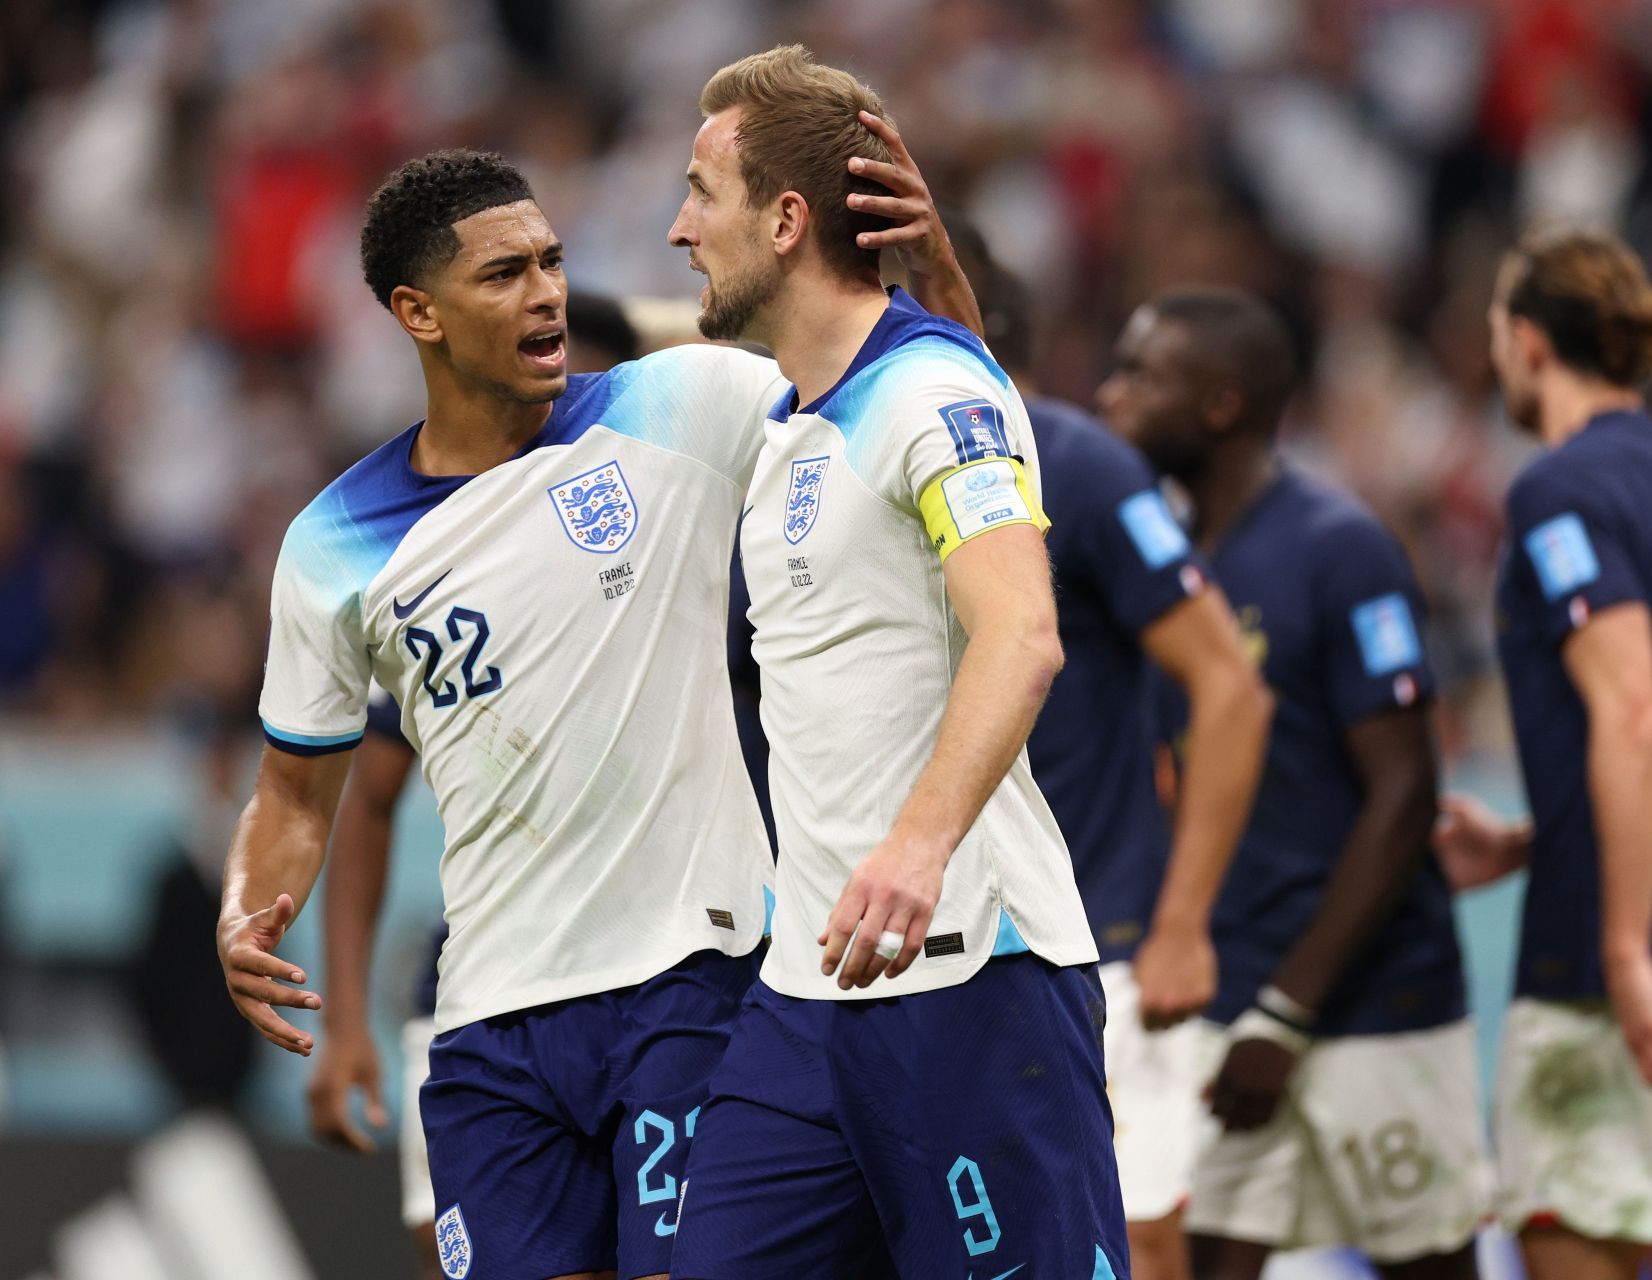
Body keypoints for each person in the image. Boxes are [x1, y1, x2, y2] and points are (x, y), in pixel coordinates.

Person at [217, 132, 977, 1280]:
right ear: (418, 313)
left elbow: (923, 377)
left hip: (691, 975)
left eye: (553, 260)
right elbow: (297, 789)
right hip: (489, 1020)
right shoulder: (333, 542)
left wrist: (936, 264)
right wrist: (245, 910)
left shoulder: (677, 404)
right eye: (505, 273)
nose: (549, 292)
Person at [664, 47, 1129, 1278]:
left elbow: (1022, 631)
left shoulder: (930, 387)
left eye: (701, 194)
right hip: (806, 991)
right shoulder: (781, 425)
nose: (676, 228)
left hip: (973, 966)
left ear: (786, 217)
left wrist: (918, 842)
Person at [1098, 287, 1493, 1280]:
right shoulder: (1172, 570)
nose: (1113, 396)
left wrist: (1288, 1008)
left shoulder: (1340, 547)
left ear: (1222, 405)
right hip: (1224, 1008)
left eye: (1144, 375)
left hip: (1372, 1007)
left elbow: (1404, 793)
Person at [1434, 229, 1652, 1280]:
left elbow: (1637, 711)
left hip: (1616, 971)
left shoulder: (1560, 492)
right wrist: (1535, 838)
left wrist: (1629, 950)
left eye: (1499, 327)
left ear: (1533, 342)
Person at [302, 296, 661, 1276]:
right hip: (491, 990)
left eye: (576, 393)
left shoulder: (686, 553)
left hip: (668, 966)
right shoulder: (440, 582)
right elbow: (366, 800)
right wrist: (343, 1020)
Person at [957, 240, 1272, 1280]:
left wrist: (1181, 924)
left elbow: (1229, 687)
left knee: (1132, 1234)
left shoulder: (1075, 459)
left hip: (1104, 937)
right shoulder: (833, 462)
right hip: (938, 939)